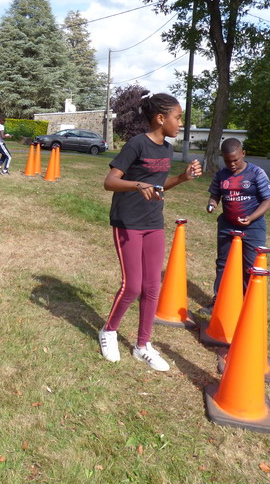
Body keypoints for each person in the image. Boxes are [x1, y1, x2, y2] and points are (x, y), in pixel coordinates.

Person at [99, 92, 202, 371]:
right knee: (132, 286)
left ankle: (143, 345)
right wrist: (136, 185)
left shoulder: (167, 150)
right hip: (128, 221)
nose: (180, 124)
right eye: (177, 118)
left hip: (153, 223)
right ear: (160, 118)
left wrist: (182, 178)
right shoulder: (137, 144)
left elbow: (158, 186)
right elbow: (110, 182)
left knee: (152, 286)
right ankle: (108, 330)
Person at [205, 138, 270, 306]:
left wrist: (251, 217)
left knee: (250, 266)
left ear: (243, 153)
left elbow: (268, 200)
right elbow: (215, 194)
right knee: (223, 263)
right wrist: (212, 203)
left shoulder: (256, 173)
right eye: (228, 161)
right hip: (227, 225)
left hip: (253, 227)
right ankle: (219, 302)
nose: (232, 164)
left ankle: (246, 304)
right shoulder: (221, 174)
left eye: (235, 160)